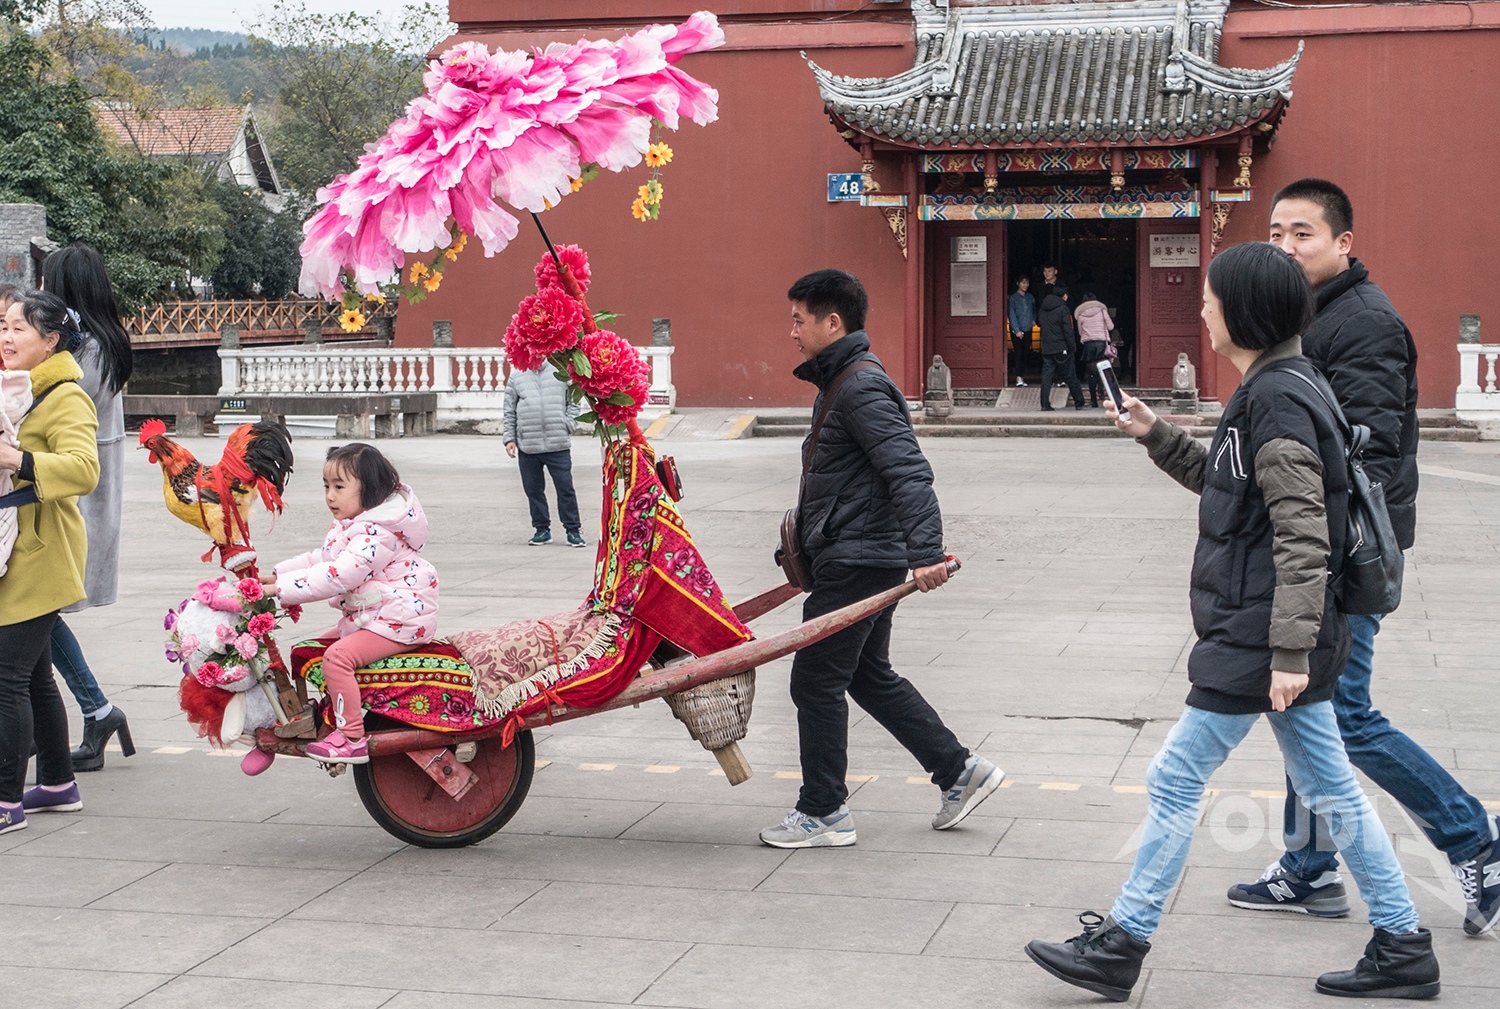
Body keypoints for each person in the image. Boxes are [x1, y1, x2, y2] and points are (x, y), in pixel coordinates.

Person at [1024, 243, 1440, 1002]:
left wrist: (1288, 651)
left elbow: (1303, 534)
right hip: (1277, 629)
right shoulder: (1282, 385)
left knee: (1175, 776)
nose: (1203, 312)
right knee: (1333, 791)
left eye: (1211, 301)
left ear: (1244, 314)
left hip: (1260, 632)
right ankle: (1404, 942)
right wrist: (1156, 433)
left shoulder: (1276, 400)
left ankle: (1124, 940)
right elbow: (1231, 485)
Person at [1226, 178, 1500, 935]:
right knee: (1305, 705)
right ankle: (1309, 866)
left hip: (1345, 554)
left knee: (1341, 714)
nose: (1284, 246)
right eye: (1275, 233)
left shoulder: (1366, 324)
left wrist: (1310, 547)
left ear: (1343, 243)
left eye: (1302, 233)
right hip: (1320, 547)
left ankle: (1476, 839)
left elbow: (1365, 457)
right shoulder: (1308, 316)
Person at [760, 269, 1001, 849]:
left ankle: (823, 810)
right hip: (856, 553)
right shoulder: (841, 381)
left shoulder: (860, 386)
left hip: (860, 560)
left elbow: (908, 470)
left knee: (815, 680)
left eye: (798, 320)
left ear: (832, 322)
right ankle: (958, 770)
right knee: (867, 675)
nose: (792, 331)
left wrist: (926, 553)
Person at [258, 443, 439, 767]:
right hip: (378, 615)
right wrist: (276, 576)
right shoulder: (352, 525)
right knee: (311, 648)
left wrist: (278, 590)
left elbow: (338, 575)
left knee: (337, 657)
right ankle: (324, 717)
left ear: (368, 489)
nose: (330, 496)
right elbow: (322, 558)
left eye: (339, 487)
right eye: (326, 486)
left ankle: (352, 737)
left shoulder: (377, 534)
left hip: (399, 620)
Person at [0, 292, 99, 834]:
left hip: (41, 549)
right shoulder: (19, 390)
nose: (7, 337)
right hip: (18, 546)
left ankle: (5, 801)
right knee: (34, 675)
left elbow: (84, 470)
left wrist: (16, 458)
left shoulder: (65, 396)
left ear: (51, 340)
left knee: (6, 678)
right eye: (4, 326)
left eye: (19, 328)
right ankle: (59, 784)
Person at [40, 245, 135, 772]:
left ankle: (95, 710)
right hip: (82, 494)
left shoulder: (88, 350)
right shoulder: (101, 341)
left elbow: (53, 407)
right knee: (35, 613)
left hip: (74, 499)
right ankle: (59, 719)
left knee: (36, 610)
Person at [503, 364, 585, 547]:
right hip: (528, 445)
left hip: (558, 444)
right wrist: (510, 438)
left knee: (565, 489)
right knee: (533, 490)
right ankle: (541, 530)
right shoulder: (517, 376)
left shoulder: (561, 371)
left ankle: (573, 530)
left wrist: (568, 423)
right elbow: (509, 410)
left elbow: (574, 400)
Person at [1037, 283, 1084, 411]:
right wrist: (1072, 346)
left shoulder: (1043, 309)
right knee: (1070, 375)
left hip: (1047, 347)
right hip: (1061, 347)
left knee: (1047, 377)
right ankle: (1079, 401)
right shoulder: (1063, 309)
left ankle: (1044, 404)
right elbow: (1067, 330)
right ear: (1064, 296)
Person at [1074, 292, 1115, 408]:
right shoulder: (1102, 311)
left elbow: (1080, 332)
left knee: (1091, 373)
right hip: (1101, 344)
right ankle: (1101, 391)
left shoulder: (1080, 314)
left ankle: (1093, 401)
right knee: (1104, 369)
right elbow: (1111, 326)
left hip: (1089, 345)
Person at [1007, 276, 1036, 387]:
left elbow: (1034, 310)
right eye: (1023, 283)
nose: (1025, 285)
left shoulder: (1030, 297)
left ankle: (1022, 376)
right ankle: (1018, 377)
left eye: (1027, 283)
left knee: (1025, 353)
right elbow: (1012, 314)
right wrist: (1017, 330)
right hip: (1017, 330)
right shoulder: (1013, 298)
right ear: (1018, 283)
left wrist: (1034, 319)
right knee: (1018, 353)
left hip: (1028, 328)